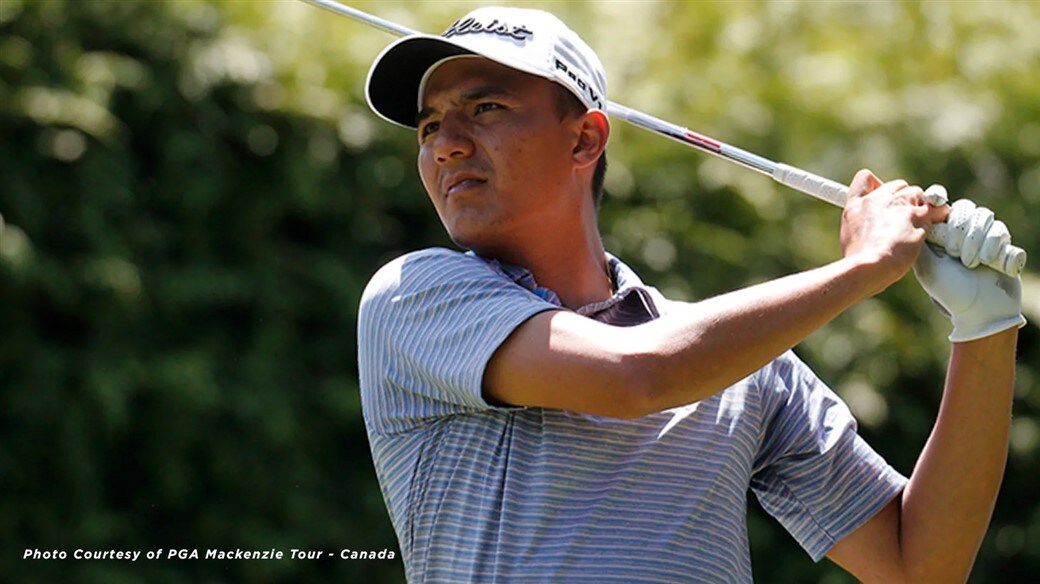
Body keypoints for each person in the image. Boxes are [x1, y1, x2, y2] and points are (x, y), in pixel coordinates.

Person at [357, 6, 1025, 582]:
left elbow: (921, 567)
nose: (445, 144)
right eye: (428, 126)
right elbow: (642, 375)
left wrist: (986, 326)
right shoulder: (414, 297)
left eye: (484, 108)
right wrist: (863, 267)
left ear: (585, 137)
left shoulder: (743, 364)